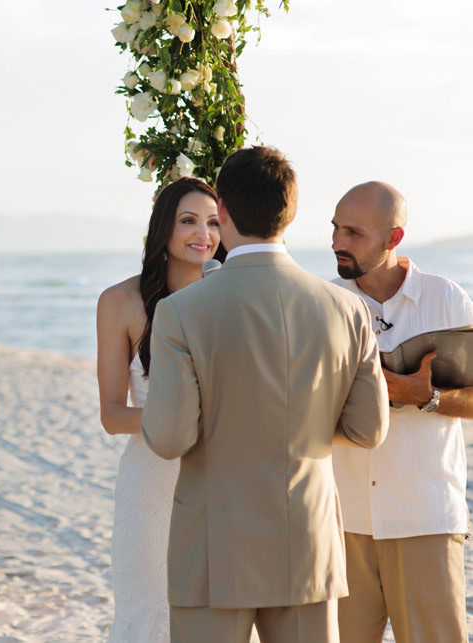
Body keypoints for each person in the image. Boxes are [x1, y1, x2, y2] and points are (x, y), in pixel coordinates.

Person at [141, 146, 389, 642]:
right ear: (290, 215)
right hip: (307, 542)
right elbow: (369, 429)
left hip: (214, 548)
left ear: (224, 213)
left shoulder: (182, 313)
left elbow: (168, 438)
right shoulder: (347, 309)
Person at [330, 181, 473, 642]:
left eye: (353, 232)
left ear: (393, 240)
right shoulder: (324, 304)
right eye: (335, 229)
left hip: (425, 518)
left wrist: (425, 398)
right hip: (343, 521)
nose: (337, 242)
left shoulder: (447, 300)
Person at [96, 177, 224, 641]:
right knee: (148, 610)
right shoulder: (120, 301)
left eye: (213, 222)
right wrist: (180, 423)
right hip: (150, 484)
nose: (202, 234)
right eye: (187, 221)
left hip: (219, 481)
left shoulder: (230, 297)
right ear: (162, 230)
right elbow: (112, 415)